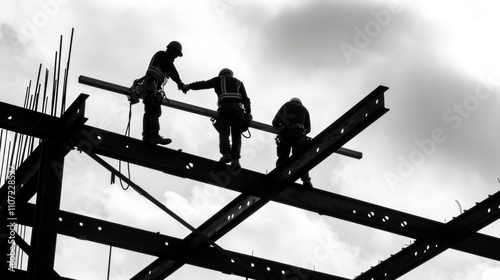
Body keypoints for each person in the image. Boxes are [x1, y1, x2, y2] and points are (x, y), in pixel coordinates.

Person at [182, 68, 251, 168]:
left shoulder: (219, 79)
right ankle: (235, 160)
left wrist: (188, 86)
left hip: (224, 108)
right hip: (238, 110)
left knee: (224, 131)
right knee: (236, 134)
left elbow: (204, 84)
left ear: (221, 74)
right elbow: (246, 99)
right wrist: (248, 114)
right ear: (231, 74)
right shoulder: (239, 82)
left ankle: (226, 153)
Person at [128, 41, 185, 145]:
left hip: (149, 88)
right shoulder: (163, 55)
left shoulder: (160, 58)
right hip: (151, 88)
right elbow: (172, 70)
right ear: (171, 50)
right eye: (176, 54)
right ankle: (153, 135)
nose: (175, 57)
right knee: (154, 111)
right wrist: (179, 83)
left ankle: (147, 137)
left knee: (149, 112)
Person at [272, 97, 313, 188]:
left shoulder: (286, 105)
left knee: (283, 157)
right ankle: (306, 181)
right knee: (299, 158)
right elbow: (308, 129)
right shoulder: (304, 109)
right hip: (298, 135)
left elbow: (275, 122)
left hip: (285, 135)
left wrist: (282, 126)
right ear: (300, 103)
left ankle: (280, 177)